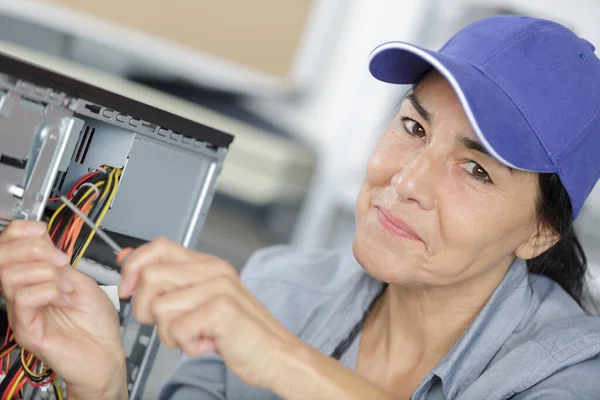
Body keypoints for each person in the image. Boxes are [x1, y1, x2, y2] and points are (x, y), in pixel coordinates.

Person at [1, 14, 600, 400]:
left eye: (476, 170)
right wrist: (103, 383)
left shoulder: (568, 374)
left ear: (542, 232)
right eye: (414, 127)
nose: (408, 180)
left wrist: (279, 357)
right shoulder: (278, 288)